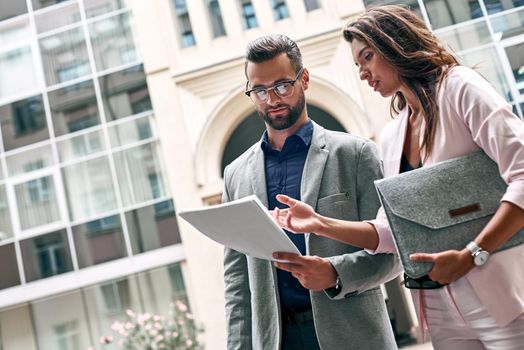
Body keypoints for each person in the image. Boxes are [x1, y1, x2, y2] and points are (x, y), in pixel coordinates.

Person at [273, 5, 524, 350]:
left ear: (395, 43)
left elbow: (523, 176)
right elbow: (393, 232)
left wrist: (471, 254)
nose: (363, 73)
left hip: (500, 293)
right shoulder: (392, 136)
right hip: (438, 307)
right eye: (357, 65)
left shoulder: (459, 87)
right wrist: (318, 223)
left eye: (368, 57)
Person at [222, 34, 401, 350]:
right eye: (260, 91)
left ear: (304, 78)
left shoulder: (356, 155)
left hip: (354, 335)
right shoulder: (235, 175)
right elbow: (237, 283)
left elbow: (394, 253)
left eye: (282, 86)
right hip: (277, 341)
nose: (272, 99)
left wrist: (334, 274)